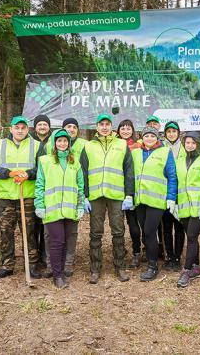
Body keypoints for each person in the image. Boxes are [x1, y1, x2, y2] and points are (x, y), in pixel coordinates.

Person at [0, 116, 45, 279]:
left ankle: (32, 265)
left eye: (23, 128)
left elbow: (43, 168)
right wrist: (8, 173)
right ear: (10, 129)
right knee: (6, 231)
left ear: (28, 130)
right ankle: (7, 265)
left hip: (27, 196)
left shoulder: (37, 146)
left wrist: (28, 174)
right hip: (6, 196)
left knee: (29, 231)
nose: (20, 130)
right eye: (16, 127)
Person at [80, 114, 133, 284]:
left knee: (118, 232)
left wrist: (129, 194)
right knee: (96, 233)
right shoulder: (88, 146)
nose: (104, 127)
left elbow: (129, 171)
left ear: (111, 127)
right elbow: (83, 172)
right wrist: (84, 196)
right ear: (96, 127)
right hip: (95, 197)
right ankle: (95, 269)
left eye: (107, 124)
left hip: (116, 196)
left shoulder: (122, 144)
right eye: (101, 124)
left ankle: (120, 267)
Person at [34, 129, 85, 288]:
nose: (62, 143)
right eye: (59, 141)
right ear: (54, 144)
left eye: (65, 141)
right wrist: (39, 205)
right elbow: (40, 185)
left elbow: (80, 186)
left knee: (66, 241)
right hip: (52, 209)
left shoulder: (75, 162)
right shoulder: (45, 161)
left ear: (69, 144)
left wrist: (80, 205)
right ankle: (57, 276)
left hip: (70, 209)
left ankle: (61, 271)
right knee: (57, 241)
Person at [133, 126, 177, 281]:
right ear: (142, 138)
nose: (149, 138)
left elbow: (172, 176)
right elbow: (131, 175)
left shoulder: (165, 152)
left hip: (157, 201)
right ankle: (153, 259)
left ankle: (152, 266)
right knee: (145, 233)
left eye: (152, 136)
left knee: (150, 231)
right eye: (147, 136)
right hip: (140, 200)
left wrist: (171, 197)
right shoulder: (136, 153)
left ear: (157, 138)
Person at [175, 132, 200, 288]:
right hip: (184, 206)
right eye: (187, 142)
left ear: (198, 144)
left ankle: (186, 271)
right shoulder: (179, 161)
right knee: (191, 237)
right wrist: (175, 202)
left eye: (193, 142)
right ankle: (196, 267)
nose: (189, 145)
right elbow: (176, 182)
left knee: (191, 236)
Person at [117, 119, 143, 268]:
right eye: (122, 128)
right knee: (118, 224)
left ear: (132, 130)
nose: (125, 131)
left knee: (133, 223)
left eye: (128, 128)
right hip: (116, 189)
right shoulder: (114, 145)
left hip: (133, 190)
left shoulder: (138, 145)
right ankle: (120, 250)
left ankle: (137, 252)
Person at [161, 121, 186, 271]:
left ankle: (177, 257)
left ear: (178, 133)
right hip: (164, 192)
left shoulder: (184, 148)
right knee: (166, 227)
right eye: (168, 131)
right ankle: (169, 255)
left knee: (179, 227)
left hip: (181, 193)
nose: (171, 134)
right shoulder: (161, 148)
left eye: (174, 131)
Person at [32, 114, 52, 274]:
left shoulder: (54, 140)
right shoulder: (30, 141)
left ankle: (46, 255)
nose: (42, 127)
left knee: (47, 224)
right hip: (32, 186)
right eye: (40, 124)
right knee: (34, 225)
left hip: (50, 187)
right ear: (35, 127)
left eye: (45, 124)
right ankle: (34, 256)